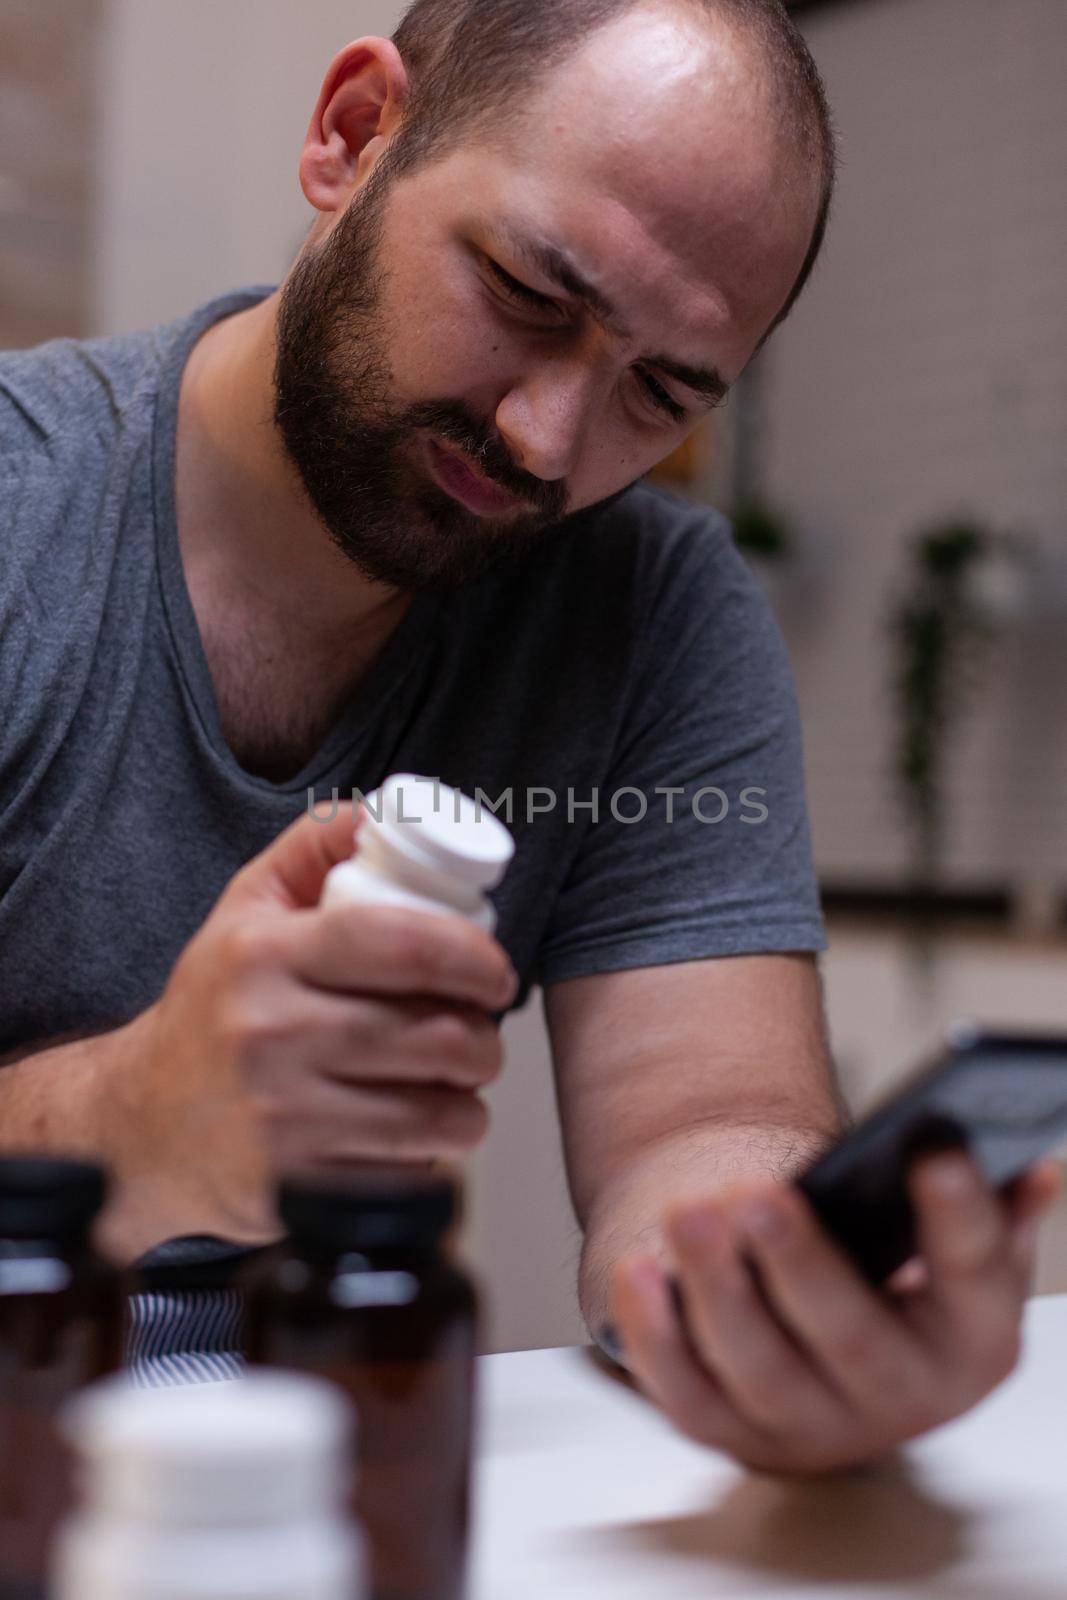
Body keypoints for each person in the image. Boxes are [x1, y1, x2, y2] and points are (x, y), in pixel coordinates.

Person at [0, 0, 1058, 1472]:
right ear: (355, 135)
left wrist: (776, 1295)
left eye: (663, 393)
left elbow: (705, 1120)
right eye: (527, 291)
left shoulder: (655, 615)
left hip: (319, 1477)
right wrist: (129, 1120)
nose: (551, 444)